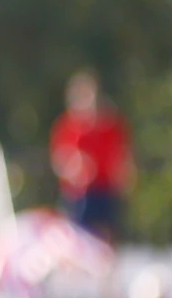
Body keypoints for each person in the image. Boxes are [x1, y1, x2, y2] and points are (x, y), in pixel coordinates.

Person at [49, 71, 130, 243]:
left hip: (105, 190)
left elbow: (121, 157)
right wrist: (74, 167)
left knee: (106, 236)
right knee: (78, 238)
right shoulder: (66, 127)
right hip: (79, 194)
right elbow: (60, 160)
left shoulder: (109, 126)